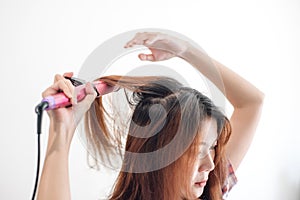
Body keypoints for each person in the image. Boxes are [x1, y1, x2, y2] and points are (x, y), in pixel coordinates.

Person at [36, 32, 264, 200]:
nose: (211, 165)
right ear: (156, 155)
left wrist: (186, 51)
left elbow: (252, 103)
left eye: (212, 146)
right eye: (196, 150)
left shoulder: (211, 190)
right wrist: (62, 129)